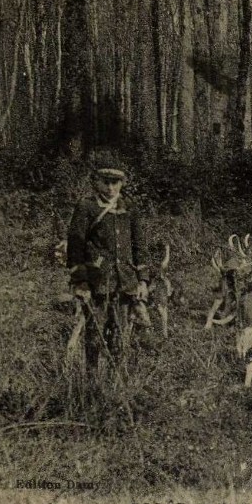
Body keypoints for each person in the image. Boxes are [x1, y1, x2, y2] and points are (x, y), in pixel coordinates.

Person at [66, 150, 150, 377]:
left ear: (122, 184)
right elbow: (75, 247)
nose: (111, 188)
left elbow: (139, 245)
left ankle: (116, 382)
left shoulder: (130, 208)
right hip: (97, 282)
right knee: (94, 335)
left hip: (124, 282)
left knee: (121, 335)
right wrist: (80, 281)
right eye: (106, 182)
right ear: (97, 182)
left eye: (115, 183)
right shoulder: (86, 207)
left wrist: (142, 279)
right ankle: (92, 381)